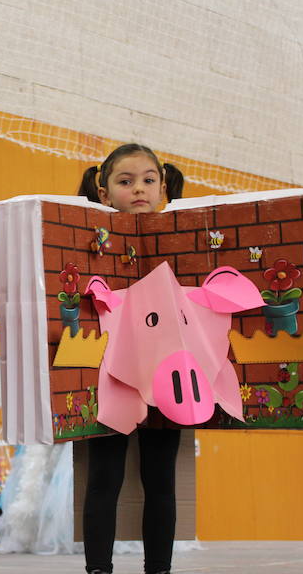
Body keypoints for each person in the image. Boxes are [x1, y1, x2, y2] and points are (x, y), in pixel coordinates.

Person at [77, 143, 185, 574]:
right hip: (111, 373)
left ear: (161, 187)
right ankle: (98, 569)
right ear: (104, 193)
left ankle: (159, 568)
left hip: (166, 373)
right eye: (125, 182)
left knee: (161, 479)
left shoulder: (178, 239)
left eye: (147, 180)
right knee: (104, 477)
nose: (138, 189)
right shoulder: (91, 240)